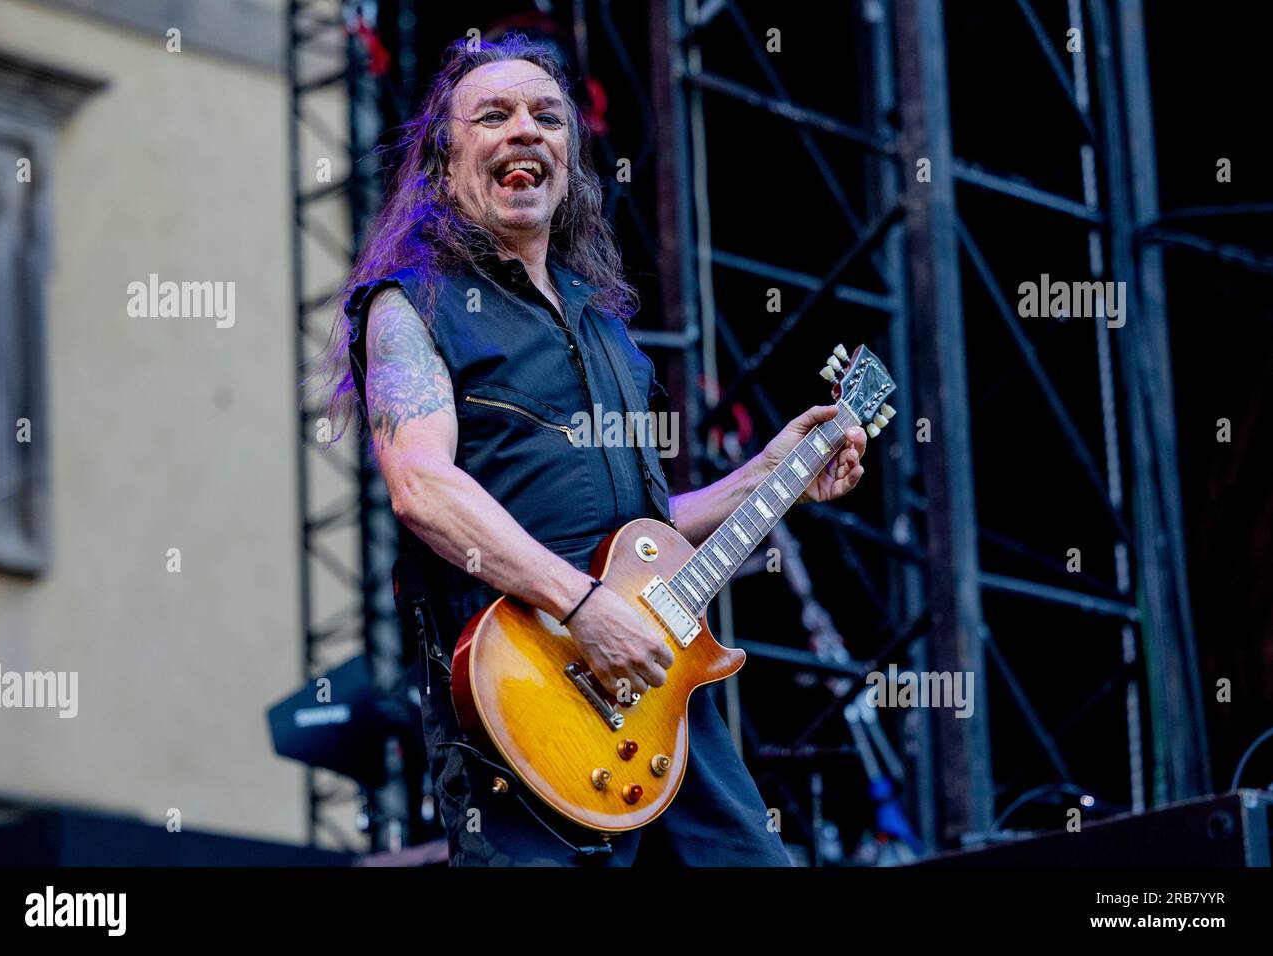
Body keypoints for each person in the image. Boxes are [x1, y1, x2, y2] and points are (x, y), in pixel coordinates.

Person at [319, 34, 867, 866]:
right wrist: (581, 607)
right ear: (443, 158)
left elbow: (646, 530)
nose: (525, 131)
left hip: (659, 702)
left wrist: (774, 474)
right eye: (493, 115)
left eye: (547, 117)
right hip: (523, 700)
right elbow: (422, 488)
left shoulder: (608, 330)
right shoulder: (413, 305)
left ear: (570, 159)